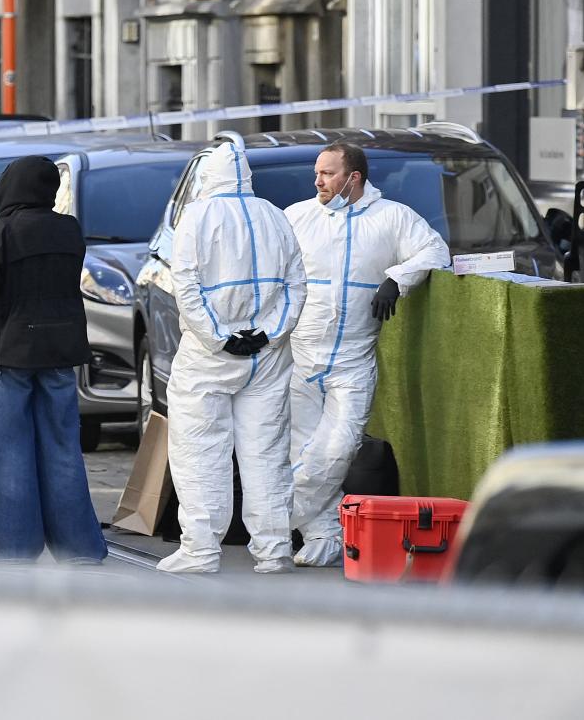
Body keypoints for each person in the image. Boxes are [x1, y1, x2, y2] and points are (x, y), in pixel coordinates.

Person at [284, 142, 448, 567]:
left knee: (338, 448)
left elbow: (434, 250)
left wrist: (397, 279)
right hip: (299, 356)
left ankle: (274, 516)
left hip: (353, 361)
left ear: (353, 177)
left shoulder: (391, 217)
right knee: (299, 449)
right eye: (317, 173)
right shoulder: (298, 217)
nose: (317, 181)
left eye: (327, 173)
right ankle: (324, 535)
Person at [160, 138, 305, 574]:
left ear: (208, 177)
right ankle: (275, 549)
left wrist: (220, 338)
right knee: (267, 452)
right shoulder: (275, 216)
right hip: (267, 357)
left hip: (210, 357)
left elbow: (184, 284)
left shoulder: (198, 216)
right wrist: (270, 334)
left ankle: (201, 550)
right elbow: (297, 284)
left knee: (200, 448)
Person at [0, 156, 106, 564]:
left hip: (11, 354)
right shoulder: (69, 229)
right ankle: (78, 549)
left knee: (7, 454)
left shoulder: (1, 231)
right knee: (63, 451)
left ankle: (15, 551)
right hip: (61, 355)